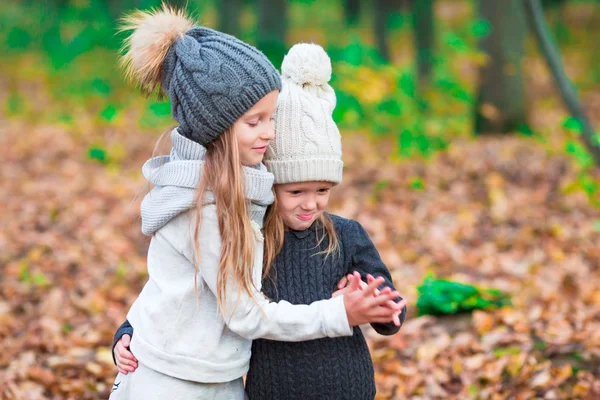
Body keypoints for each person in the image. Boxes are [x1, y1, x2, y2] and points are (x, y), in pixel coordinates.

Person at [109, 5, 404, 400]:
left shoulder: (243, 194)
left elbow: (179, 280)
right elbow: (241, 310)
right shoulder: (204, 207)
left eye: (272, 117)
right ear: (217, 127)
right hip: (176, 378)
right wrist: (339, 313)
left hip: (221, 371)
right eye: (255, 121)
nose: (270, 132)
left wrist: (129, 325)